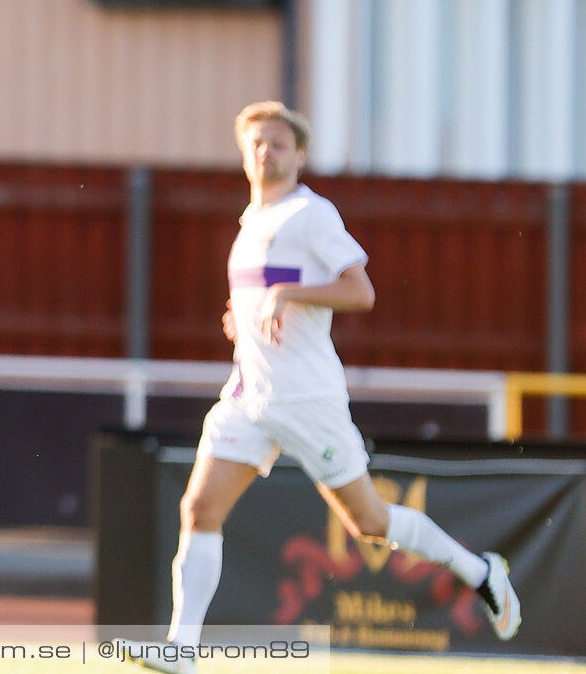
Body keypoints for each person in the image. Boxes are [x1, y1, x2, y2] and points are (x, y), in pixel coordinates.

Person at [134, 101, 520, 674]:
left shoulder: (311, 214)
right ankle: (182, 651)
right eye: (257, 143)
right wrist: (241, 319)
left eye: (278, 143)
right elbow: (264, 297)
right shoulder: (250, 224)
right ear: (245, 153)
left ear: (300, 154)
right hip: (249, 395)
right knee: (200, 507)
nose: (266, 151)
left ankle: (481, 571)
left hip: (308, 399)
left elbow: (359, 291)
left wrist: (290, 296)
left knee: (368, 523)